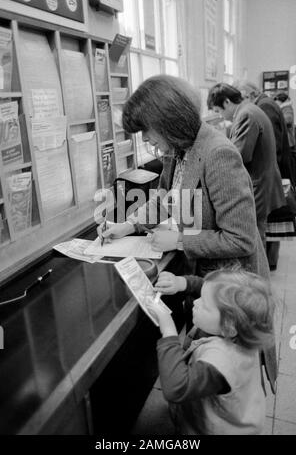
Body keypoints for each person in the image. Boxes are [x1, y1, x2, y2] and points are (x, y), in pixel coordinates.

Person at [97, 75, 276, 391]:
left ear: (169, 122)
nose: (151, 144)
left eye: (151, 136)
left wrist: (179, 239)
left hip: (231, 286)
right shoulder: (179, 150)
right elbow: (166, 198)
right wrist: (129, 224)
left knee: (224, 377)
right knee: (205, 359)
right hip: (206, 278)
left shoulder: (218, 154)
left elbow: (242, 238)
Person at [148, 269, 275, 435]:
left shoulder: (221, 363)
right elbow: (207, 288)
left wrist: (169, 331)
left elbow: (175, 388)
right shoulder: (241, 329)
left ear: (228, 326)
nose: (195, 303)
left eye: (205, 306)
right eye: (200, 296)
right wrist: (182, 282)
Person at [207, 83, 285, 248]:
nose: (221, 116)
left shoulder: (246, 115)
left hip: (258, 185)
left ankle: (257, 273)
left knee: (253, 235)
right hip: (264, 181)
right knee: (258, 233)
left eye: (218, 111)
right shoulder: (250, 109)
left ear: (227, 102)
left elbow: (237, 156)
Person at [233, 81, 294, 270]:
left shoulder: (261, 107)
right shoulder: (263, 105)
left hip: (268, 174)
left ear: (248, 95)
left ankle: (266, 266)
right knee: (266, 226)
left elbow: (267, 143)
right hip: (272, 171)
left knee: (263, 227)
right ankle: (267, 264)